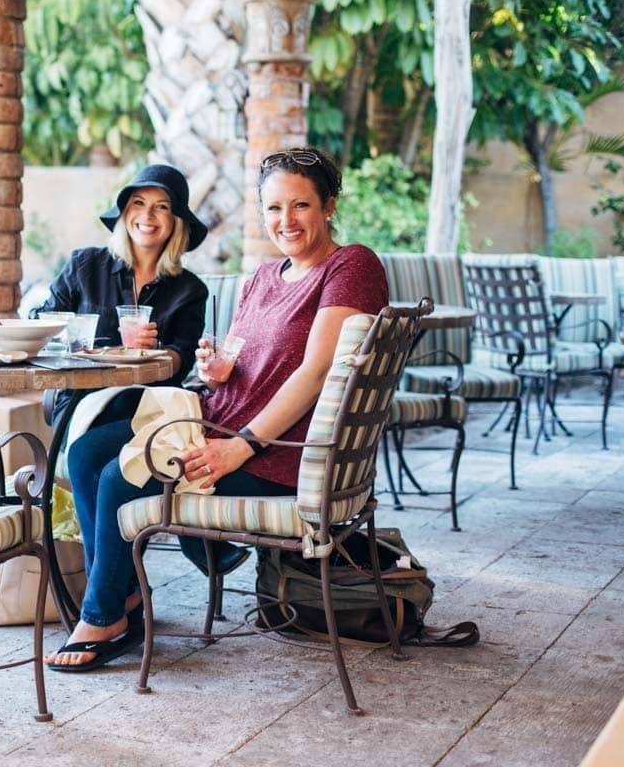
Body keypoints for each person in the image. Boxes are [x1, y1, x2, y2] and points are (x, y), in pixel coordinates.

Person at [47, 146, 389, 672]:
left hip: (277, 451)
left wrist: (241, 446)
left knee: (120, 476)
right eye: (273, 208)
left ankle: (103, 616)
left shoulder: (350, 265)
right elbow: (245, 363)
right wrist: (218, 371)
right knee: (87, 451)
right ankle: (123, 596)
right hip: (215, 419)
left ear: (329, 206)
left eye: (300, 205)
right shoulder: (264, 277)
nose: (286, 220)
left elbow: (318, 372)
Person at [32, 163, 209, 427]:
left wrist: (153, 351)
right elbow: (41, 323)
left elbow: (181, 358)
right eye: (138, 202)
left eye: (162, 206)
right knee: (98, 441)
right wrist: (77, 335)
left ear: (176, 220)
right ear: (125, 212)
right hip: (82, 400)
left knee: (121, 430)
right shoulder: (85, 265)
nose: (147, 214)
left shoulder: (190, 290)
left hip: (150, 403)